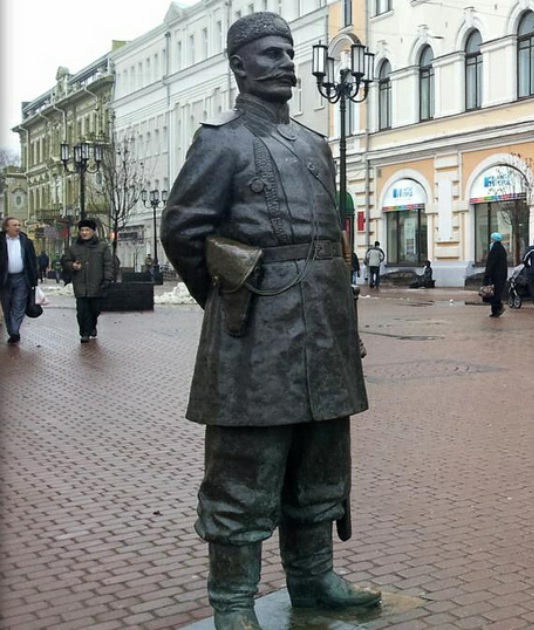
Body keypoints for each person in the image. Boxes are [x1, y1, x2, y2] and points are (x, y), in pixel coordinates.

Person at [160, 13, 379, 629]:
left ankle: (313, 579)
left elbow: (334, 240)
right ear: (240, 66)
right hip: (255, 335)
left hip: (325, 332)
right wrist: (233, 300)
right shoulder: (220, 142)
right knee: (243, 473)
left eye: (289, 51)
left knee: (320, 463)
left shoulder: (314, 145)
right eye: (270, 52)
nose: (286, 61)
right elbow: (183, 230)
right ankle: (232, 603)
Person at [61, 219, 115, 343]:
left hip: (97, 284)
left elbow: (108, 264)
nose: (84, 233)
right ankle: (84, 333)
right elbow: (65, 261)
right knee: (82, 311)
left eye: (87, 230)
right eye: (82, 230)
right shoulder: (73, 248)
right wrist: (72, 265)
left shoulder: (102, 247)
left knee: (95, 309)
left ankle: (92, 326)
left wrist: (107, 279)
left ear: (93, 231)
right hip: (80, 284)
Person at [2, 217, 39, 344]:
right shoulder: (1, 241)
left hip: (22, 278)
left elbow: (32, 261)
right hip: (4, 279)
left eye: (19, 225)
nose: (17, 227)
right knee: (7, 306)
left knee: (19, 305)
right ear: (6, 227)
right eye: (14, 225)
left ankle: (14, 331)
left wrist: (34, 278)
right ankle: (11, 329)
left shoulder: (26, 242)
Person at [482, 232, 508, 318]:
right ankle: (497, 309)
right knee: (497, 293)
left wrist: (487, 275)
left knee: (494, 293)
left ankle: (497, 309)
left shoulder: (494, 249)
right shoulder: (502, 249)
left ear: (494, 239)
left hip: (495, 275)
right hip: (502, 275)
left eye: (491, 239)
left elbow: (491, 264)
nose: (491, 240)